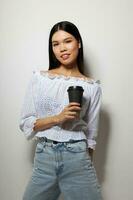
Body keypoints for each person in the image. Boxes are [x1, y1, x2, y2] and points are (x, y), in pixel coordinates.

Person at [19, 21, 102, 200]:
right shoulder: (40, 79)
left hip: (78, 157)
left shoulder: (92, 86)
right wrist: (58, 118)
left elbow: (91, 136)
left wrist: (86, 164)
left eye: (67, 41)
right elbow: (26, 122)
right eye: (55, 44)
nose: (62, 49)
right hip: (45, 155)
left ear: (78, 43)